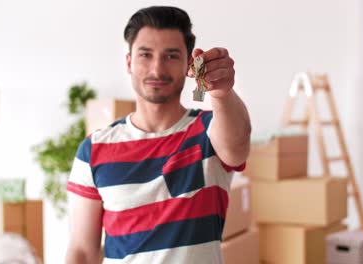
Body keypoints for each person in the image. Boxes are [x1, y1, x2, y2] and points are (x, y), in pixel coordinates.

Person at [66, 6, 251, 264]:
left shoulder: (209, 131)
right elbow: (82, 251)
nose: (157, 69)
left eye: (171, 56)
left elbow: (238, 146)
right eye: (145, 54)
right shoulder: (94, 149)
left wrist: (222, 93)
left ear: (189, 64)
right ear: (129, 62)